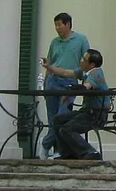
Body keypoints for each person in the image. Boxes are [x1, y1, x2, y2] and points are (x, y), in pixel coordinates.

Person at [38, 12, 90, 158]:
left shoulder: (80, 39)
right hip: (53, 81)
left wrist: (85, 80)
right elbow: (50, 63)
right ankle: (58, 151)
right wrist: (45, 84)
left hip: (69, 81)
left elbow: (87, 60)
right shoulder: (55, 42)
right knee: (52, 118)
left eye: (59, 24)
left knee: (62, 116)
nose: (57, 28)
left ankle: (46, 144)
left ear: (68, 24)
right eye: (55, 25)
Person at [54, 50, 109, 160]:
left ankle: (91, 152)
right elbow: (66, 73)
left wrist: (71, 90)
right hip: (87, 111)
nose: (81, 61)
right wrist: (49, 67)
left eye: (84, 59)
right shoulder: (85, 72)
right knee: (58, 120)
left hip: (96, 114)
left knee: (67, 129)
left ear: (92, 64)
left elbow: (86, 87)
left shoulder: (95, 73)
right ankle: (68, 153)